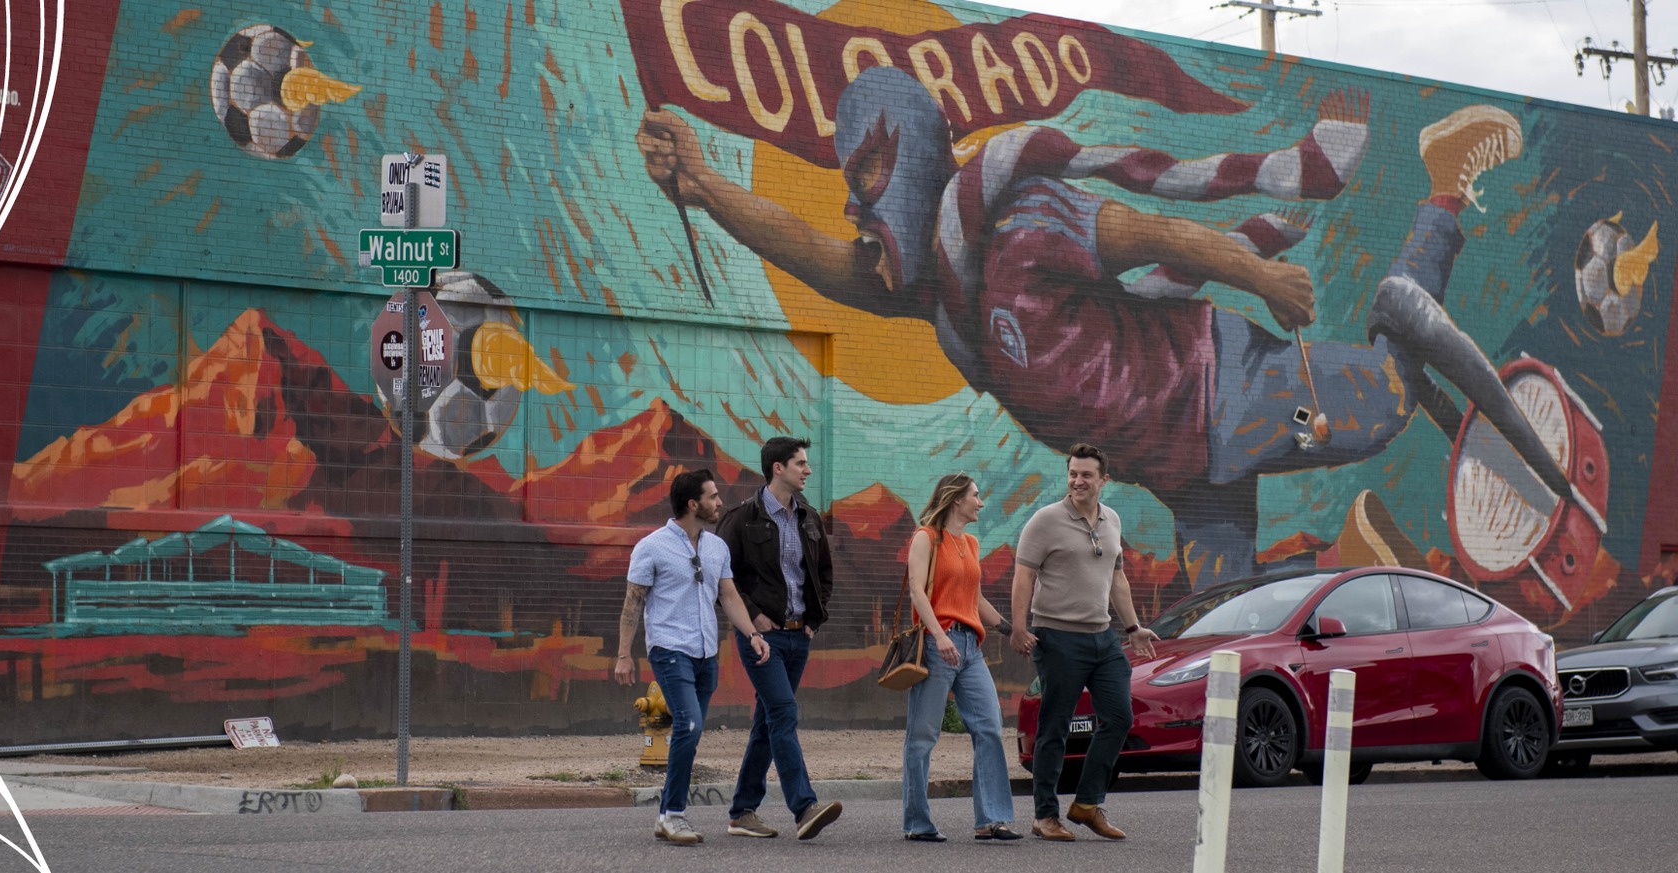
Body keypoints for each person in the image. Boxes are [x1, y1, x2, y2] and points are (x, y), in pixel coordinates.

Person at [636, 66, 1572, 590]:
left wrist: (1258, 274)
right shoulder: (942, 293)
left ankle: (1439, 200)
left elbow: (1146, 228)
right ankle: (1363, 564)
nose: (856, 201)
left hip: (1229, 393)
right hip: (1182, 465)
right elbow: (814, 254)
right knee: (1223, 615)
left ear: (913, 153)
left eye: (870, 170)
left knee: (1391, 401)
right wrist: (705, 185)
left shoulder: (1020, 224)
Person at [1009, 444, 1159, 841]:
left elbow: (1117, 578)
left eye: (1086, 475)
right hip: (1058, 638)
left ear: (1103, 480)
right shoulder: (1045, 521)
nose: (1077, 481)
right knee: (1054, 728)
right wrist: (1020, 628)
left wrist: (1132, 628)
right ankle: (1045, 816)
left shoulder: (1112, 520)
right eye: (1073, 473)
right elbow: (1023, 575)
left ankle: (1088, 804)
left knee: (1120, 718)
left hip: (1103, 639)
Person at [615, 468, 771, 845]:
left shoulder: (716, 547)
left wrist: (752, 634)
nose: (720, 502)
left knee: (691, 731)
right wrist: (623, 654)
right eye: (713, 496)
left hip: (706, 653)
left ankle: (665, 815)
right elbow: (632, 602)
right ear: (692, 503)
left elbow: (730, 597)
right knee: (687, 726)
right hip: (669, 650)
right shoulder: (651, 546)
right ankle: (673, 814)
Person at [715, 436, 843, 840]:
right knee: (784, 713)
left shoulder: (809, 517)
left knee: (768, 723)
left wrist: (813, 621)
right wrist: (753, 618)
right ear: (778, 469)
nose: (807, 470)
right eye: (801, 464)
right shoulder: (741, 519)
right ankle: (804, 806)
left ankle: (741, 811)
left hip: (797, 637)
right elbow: (724, 582)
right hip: (761, 639)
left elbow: (823, 574)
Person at [899, 473, 1021, 842]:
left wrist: (1010, 630)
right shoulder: (926, 538)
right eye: (975, 495)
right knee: (922, 735)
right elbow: (918, 593)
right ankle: (917, 824)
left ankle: (991, 819)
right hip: (939, 645)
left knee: (989, 727)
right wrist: (938, 635)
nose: (980, 502)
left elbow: (976, 600)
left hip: (970, 647)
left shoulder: (970, 542)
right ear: (956, 500)